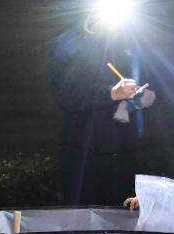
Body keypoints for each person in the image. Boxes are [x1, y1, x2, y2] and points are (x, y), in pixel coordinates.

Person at [52, 13, 155, 206]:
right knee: (81, 222)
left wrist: (148, 97)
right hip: (82, 151)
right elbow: (65, 95)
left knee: (118, 219)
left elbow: (155, 85)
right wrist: (111, 93)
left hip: (122, 150)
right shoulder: (71, 42)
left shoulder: (134, 44)